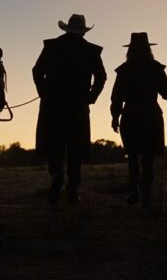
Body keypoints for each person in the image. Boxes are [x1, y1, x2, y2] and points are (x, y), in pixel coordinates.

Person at [33, 14, 107, 205]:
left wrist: (44, 93)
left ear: (67, 29)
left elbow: (37, 71)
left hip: (53, 105)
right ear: (83, 30)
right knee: (75, 150)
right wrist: (91, 97)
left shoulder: (52, 46)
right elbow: (101, 77)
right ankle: (72, 189)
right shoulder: (90, 51)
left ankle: (56, 179)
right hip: (78, 106)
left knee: (54, 146)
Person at [110, 32, 167, 208]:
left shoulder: (124, 70)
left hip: (130, 115)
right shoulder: (155, 68)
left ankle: (135, 190)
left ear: (130, 49)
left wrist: (115, 117)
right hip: (151, 115)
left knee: (132, 156)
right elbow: (166, 93)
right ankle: (146, 195)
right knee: (148, 159)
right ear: (148, 49)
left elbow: (116, 97)